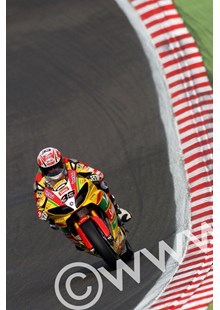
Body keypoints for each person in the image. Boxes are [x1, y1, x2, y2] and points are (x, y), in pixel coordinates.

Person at [33, 147, 132, 235]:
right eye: (49, 169)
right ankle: (76, 238)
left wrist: (95, 175)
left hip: (77, 188)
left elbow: (90, 170)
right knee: (53, 223)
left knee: (101, 183)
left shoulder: (69, 163)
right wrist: (42, 213)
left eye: (56, 166)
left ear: (61, 161)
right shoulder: (39, 181)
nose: (54, 170)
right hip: (60, 201)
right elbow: (39, 201)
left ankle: (116, 209)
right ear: (42, 169)